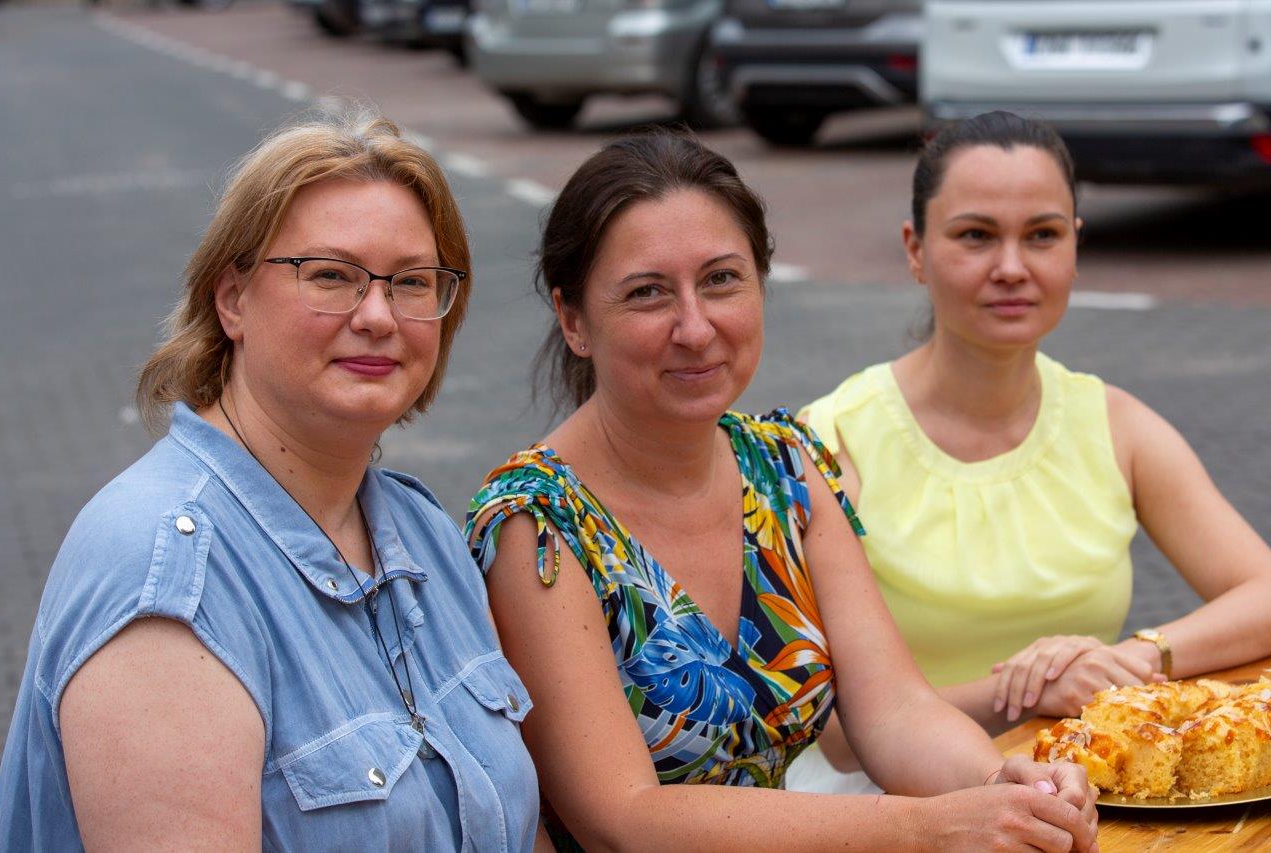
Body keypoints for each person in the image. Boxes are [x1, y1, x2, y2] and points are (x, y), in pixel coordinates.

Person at [464, 131, 1099, 851]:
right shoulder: (537, 525)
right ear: (574, 320)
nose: (695, 327)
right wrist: (928, 825)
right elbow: (624, 817)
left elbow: (894, 709)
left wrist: (1005, 788)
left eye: (721, 280)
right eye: (648, 293)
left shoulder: (785, 465)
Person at [0, 111, 543, 851]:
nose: (378, 315)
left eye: (412, 282)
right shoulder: (168, 580)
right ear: (232, 299)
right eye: (331, 276)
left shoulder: (424, 535)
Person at [795, 110, 1271, 790]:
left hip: (1086, 790)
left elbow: (1262, 592)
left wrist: (1137, 658)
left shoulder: (1115, 424)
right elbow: (835, 734)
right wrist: (1027, 688)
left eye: (1042, 235)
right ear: (915, 248)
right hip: (884, 807)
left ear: (1075, 246)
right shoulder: (832, 442)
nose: (1012, 268)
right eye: (976, 236)